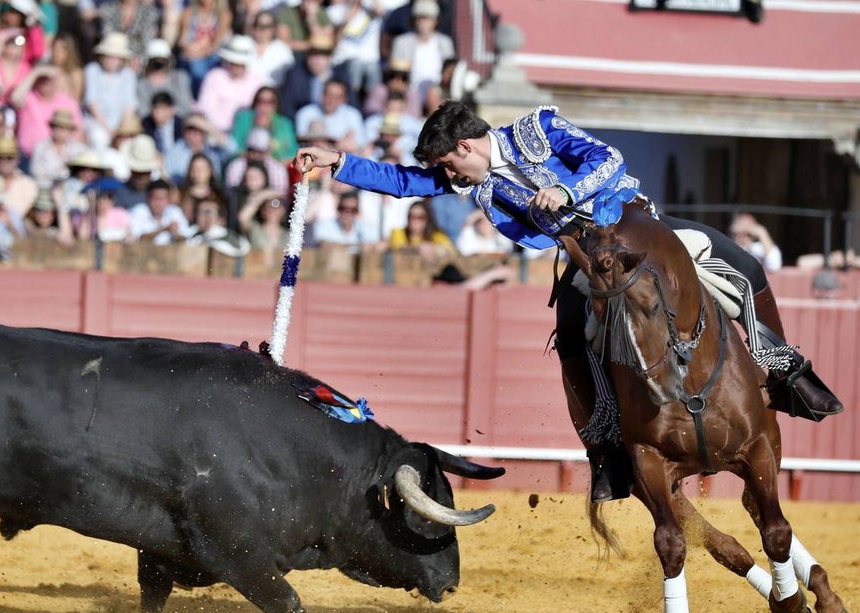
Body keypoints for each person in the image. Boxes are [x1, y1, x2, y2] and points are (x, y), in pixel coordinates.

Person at [294, 100, 844, 502]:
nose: (445, 174)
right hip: (583, 260)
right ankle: (607, 446)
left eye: (447, 163)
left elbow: (607, 158)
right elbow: (405, 182)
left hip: (634, 227)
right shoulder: (473, 183)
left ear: (465, 145)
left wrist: (567, 190)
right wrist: (337, 161)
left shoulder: (539, 127)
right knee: (572, 338)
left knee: (741, 267)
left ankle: (781, 367)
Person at [128, 178, 189, 245]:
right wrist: (164, 229)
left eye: (162, 199)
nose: (158, 203)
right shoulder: (138, 211)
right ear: (148, 198)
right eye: (156, 199)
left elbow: (185, 239)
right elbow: (137, 239)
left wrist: (177, 236)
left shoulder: (175, 212)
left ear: (168, 199)